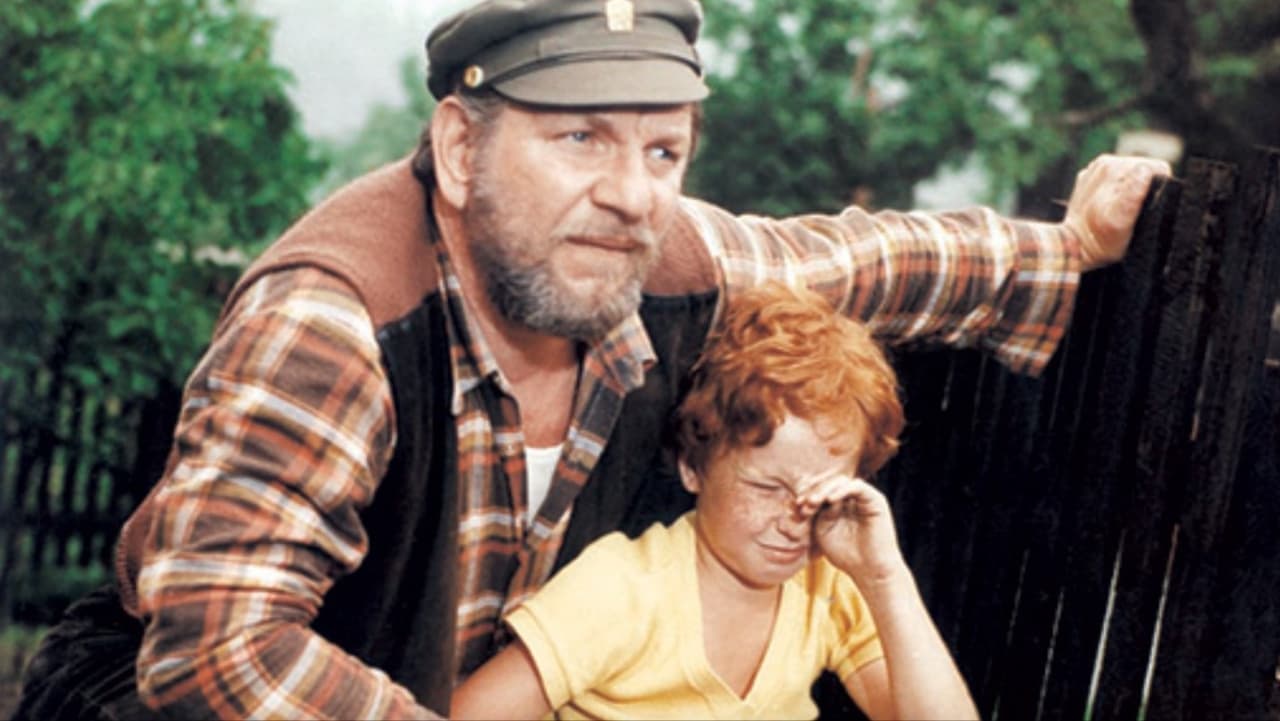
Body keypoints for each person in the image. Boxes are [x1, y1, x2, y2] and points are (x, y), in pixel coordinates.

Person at [15, 1, 1170, 719]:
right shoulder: (334, 323)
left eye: (663, 149)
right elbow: (221, 652)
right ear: (459, 147)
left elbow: (868, 263)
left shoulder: (655, 259)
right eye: (580, 137)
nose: (631, 194)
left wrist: (1066, 249)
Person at [451, 282, 977, 720]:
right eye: (766, 488)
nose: (794, 522)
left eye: (822, 495)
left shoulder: (828, 586)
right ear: (693, 466)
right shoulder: (623, 590)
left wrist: (884, 578)